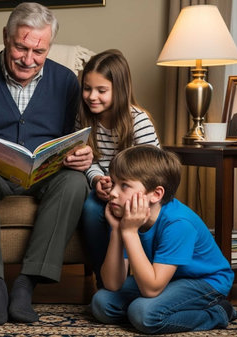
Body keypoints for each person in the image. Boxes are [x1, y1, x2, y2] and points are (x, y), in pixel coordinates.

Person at [0, 2, 93, 325]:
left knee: (75, 182)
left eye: (39, 51)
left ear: (49, 47)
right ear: (5, 37)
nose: (28, 59)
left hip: (46, 174)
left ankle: (26, 285)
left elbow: (76, 135)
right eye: (20, 47)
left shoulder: (67, 81)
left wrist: (84, 155)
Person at [91, 145, 237, 334]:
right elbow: (112, 283)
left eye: (124, 185)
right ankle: (166, 307)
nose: (113, 193)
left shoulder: (178, 223)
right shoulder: (128, 217)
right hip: (161, 278)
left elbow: (150, 291)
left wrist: (129, 233)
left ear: (156, 194)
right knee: (101, 303)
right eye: (114, 183)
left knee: (143, 314)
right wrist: (118, 231)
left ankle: (218, 313)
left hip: (204, 281)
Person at [77, 49, 159, 288]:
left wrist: (121, 188)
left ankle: (141, 277)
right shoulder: (83, 120)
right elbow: (88, 160)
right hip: (103, 190)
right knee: (92, 208)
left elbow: (150, 167)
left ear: (119, 90)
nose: (92, 96)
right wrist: (96, 180)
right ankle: (105, 280)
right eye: (87, 88)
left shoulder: (138, 120)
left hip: (136, 192)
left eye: (101, 91)